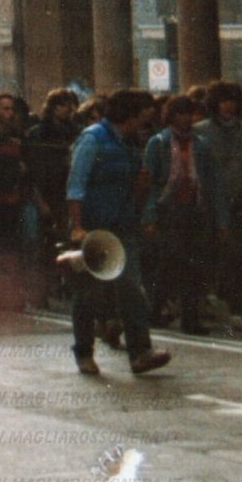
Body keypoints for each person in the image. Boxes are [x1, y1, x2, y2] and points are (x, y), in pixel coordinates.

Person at [66, 88, 171, 376]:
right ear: (130, 116)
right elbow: (77, 184)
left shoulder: (132, 143)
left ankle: (140, 353)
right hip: (93, 228)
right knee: (88, 293)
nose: (145, 126)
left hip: (123, 227)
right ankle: (84, 353)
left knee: (132, 289)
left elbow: (138, 187)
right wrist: (77, 226)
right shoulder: (93, 138)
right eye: (143, 119)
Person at [142, 95, 226, 335]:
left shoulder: (202, 144)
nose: (185, 118)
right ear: (171, 116)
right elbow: (151, 184)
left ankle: (190, 319)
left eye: (189, 113)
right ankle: (155, 310)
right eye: (180, 113)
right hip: (168, 211)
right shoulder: (157, 143)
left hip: (195, 211)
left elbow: (214, 183)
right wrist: (149, 217)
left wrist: (221, 220)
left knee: (193, 267)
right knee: (169, 264)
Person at [194, 80, 242, 316]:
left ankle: (237, 299)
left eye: (232, 101)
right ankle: (210, 296)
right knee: (211, 250)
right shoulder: (200, 131)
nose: (228, 106)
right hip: (210, 200)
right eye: (223, 101)